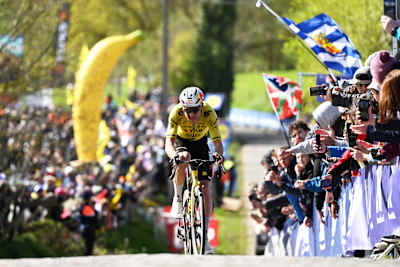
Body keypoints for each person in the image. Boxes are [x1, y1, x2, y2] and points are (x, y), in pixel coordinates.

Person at [164, 86, 224, 254]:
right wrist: (174, 155)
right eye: (187, 111)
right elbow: (168, 142)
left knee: (205, 187)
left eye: (195, 110)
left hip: (200, 144)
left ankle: (205, 238)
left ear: (202, 106)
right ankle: (177, 198)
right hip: (182, 142)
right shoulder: (176, 113)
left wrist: (218, 156)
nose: (191, 115)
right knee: (183, 158)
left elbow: (218, 143)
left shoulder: (209, 113)